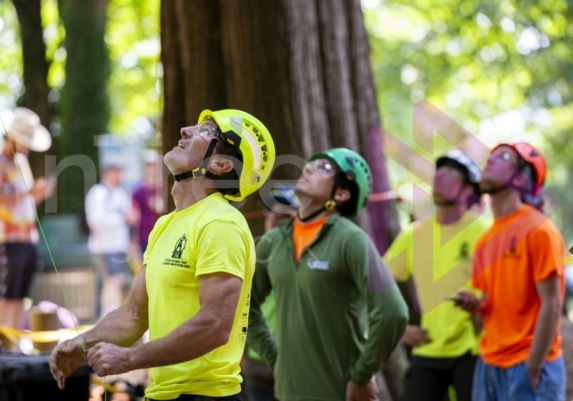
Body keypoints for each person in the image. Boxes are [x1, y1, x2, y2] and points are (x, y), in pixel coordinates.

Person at [49, 108, 276, 401]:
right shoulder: (165, 224)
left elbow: (215, 326)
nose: (185, 130)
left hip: (204, 396)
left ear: (221, 163)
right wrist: (79, 344)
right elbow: (133, 315)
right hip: (162, 394)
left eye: (206, 131)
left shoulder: (221, 224)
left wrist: (130, 359)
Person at [248, 147, 409, 401]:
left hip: (341, 392)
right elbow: (246, 307)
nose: (309, 167)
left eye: (324, 168)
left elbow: (393, 313)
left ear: (342, 193)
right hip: (290, 393)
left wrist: (362, 376)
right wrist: (277, 361)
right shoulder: (271, 242)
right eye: (310, 164)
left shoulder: (352, 241)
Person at [455, 142, 566, 401]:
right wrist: (476, 307)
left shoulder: (539, 231)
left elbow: (552, 304)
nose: (491, 160)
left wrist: (532, 368)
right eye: (490, 156)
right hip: (489, 364)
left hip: (530, 362)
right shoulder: (484, 242)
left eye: (504, 157)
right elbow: (486, 313)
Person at [383, 150, 489, 401]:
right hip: (428, 348)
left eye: (452, 174)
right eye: (439, 172)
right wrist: (399, 330)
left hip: (473, 349)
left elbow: (501, 289)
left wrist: (482, 312)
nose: (441, 177)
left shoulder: (484, 234)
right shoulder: (413, 234)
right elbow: (375, 285)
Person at [0, 107, 55, 330]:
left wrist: (39, 194)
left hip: (27, 236)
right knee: (6, 293)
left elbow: (25, 201)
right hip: (7, 238)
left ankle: (13, 341)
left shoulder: (22, 162)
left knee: (20, 293)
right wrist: (29, 192)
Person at [243, 186, 298, 401]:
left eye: (284, 215)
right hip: (259, 360)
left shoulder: (312, 256)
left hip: (297, 362)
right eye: (271, 213)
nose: (276, 219)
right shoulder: (256, 254)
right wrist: (242, 354)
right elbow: (244, 307)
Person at [85, 162, 138, 318]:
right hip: (105, 246)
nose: (118, 176)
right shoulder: (98, 193)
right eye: (115, 172)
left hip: (119, 245)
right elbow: (95, 220)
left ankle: (109, 315)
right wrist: (123, 219)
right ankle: (108, 316)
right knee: (113, 280)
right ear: (107, 173)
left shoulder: (120, 193)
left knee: (115, 281)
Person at [131, 149, 165, 258]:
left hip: (163, 235)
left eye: (154, 165)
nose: (152, 168)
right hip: (144, 237)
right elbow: (134, 216)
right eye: (149, 165)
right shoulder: (138, 190)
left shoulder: (165, 188)